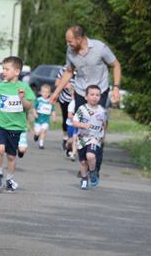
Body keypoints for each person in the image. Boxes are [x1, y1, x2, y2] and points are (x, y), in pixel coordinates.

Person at [50, 25, 122, 181]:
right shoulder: (70, 51)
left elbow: (116, 65)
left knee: (97, 130)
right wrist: (56, 93)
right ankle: (84, 165)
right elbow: (69, 72)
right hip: (81, 92)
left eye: (70, 41)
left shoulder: (100, 48)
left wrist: (116, 87)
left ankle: (94, 168)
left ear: (79, 38)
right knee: (81, 130)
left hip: (99, 92)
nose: (68, 44)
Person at [0, 56, 35, 192]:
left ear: (16, 72)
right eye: (3, 69)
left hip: (16, 127)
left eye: (7, 69)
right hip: (1, 124)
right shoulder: (0, 86)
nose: (3, 71)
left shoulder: (24, 87)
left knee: (11, 156)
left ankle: (9, 179)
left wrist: (22, 99)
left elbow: (29, 106)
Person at [72, 85, 108, 189]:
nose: (94, 97)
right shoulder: (82, 109)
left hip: (95, 138)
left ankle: (92, 172)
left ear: (100, 97)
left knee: (90, 156)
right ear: (86, 96)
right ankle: (84, 179)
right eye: (92, 94)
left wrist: (103, 136)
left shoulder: (102, 111)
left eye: (97, 95)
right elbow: (74, 122)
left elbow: (105, 124)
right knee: (83, 162)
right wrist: (83, 125)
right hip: (82, 138)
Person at [54, 66, 75, 152]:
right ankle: (65, 138)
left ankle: (74, 140)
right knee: (66, 119)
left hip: (78, 99)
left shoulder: (84, 68)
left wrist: (73, 87)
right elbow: (57, 83)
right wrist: (66, 85)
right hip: (65, 99)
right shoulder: (64, 69)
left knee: (76, 120)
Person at [32, 84, 56, 149]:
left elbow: (53, 110)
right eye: (44, 92)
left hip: (46, 120)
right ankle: (36, 136)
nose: (45, 94)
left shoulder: (50, 101)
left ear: (49, 93)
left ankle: (41, 143)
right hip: (38, 120)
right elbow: (34, 108)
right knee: (37, 132)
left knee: (43, 131)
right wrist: (35, 114)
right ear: (41, 92)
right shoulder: (38, 100)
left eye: (47, 92)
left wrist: (54, 117)